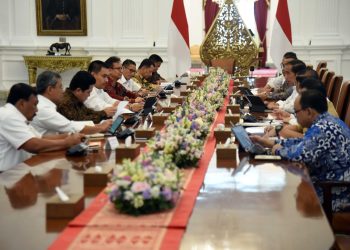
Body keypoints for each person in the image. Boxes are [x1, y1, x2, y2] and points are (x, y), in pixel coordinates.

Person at [252, 90, 350, 212]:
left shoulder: (324, 129)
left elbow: (299, 156)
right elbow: (303, 144)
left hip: (336, 194)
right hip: (330, 185)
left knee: (278, 200)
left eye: (296, 112)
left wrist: (277, 151)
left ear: (308, 112)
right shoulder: (326, 121)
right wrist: (270, 143)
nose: (294, 115)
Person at [0, 83, 83, 171]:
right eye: (34, 105)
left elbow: (41, 138)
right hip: (5, 177)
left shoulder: (16, 115)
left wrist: (69, 136)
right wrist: (66, 143)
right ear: (22, 104)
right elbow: (33, 145)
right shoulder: (8, 115)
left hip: (18, 172)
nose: (36, 110)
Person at [31, 71, 112, 136]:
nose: (62, 91)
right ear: (50, 89)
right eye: (60, 87)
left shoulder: (45, 104)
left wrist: (99, 125)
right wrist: (100, 128)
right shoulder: (43, 108)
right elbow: (70, 126)